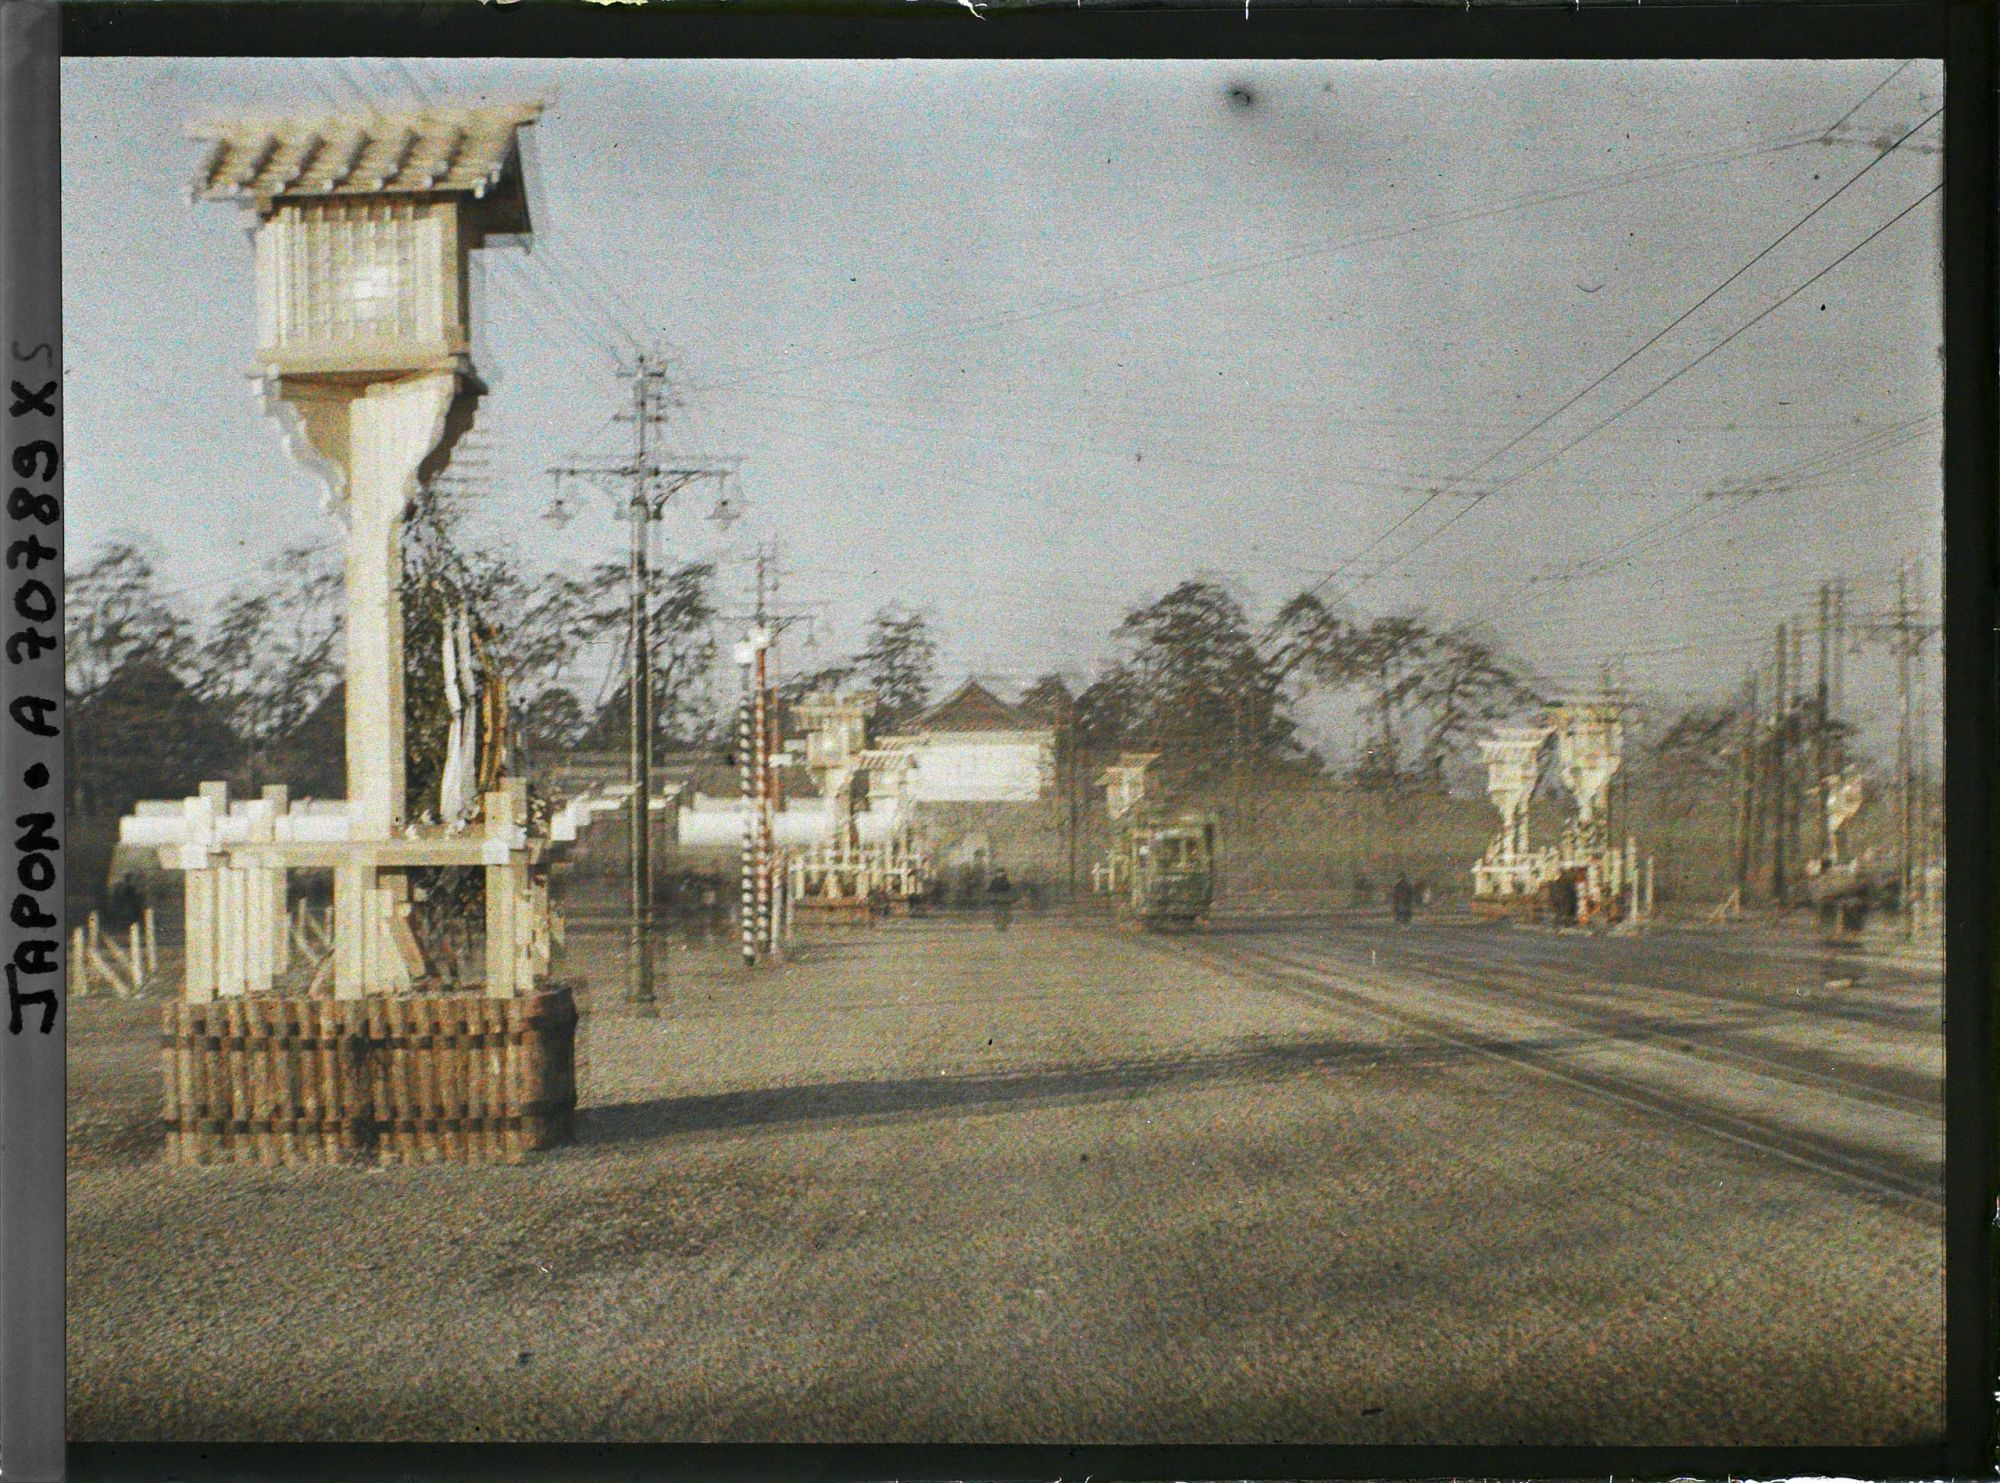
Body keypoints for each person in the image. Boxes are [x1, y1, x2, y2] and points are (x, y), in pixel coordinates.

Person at [988, 866, 1014, 932]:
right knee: (997, 913)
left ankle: (1004, 926)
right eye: (998, 873)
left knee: (1005, 913)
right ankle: (998, 926)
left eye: (1001, 872)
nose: (999, 874)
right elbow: (990, 889)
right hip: (996, 900)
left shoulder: (1006, 881)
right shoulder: (994, 881)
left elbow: (1007, 889)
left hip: (1004, 900)